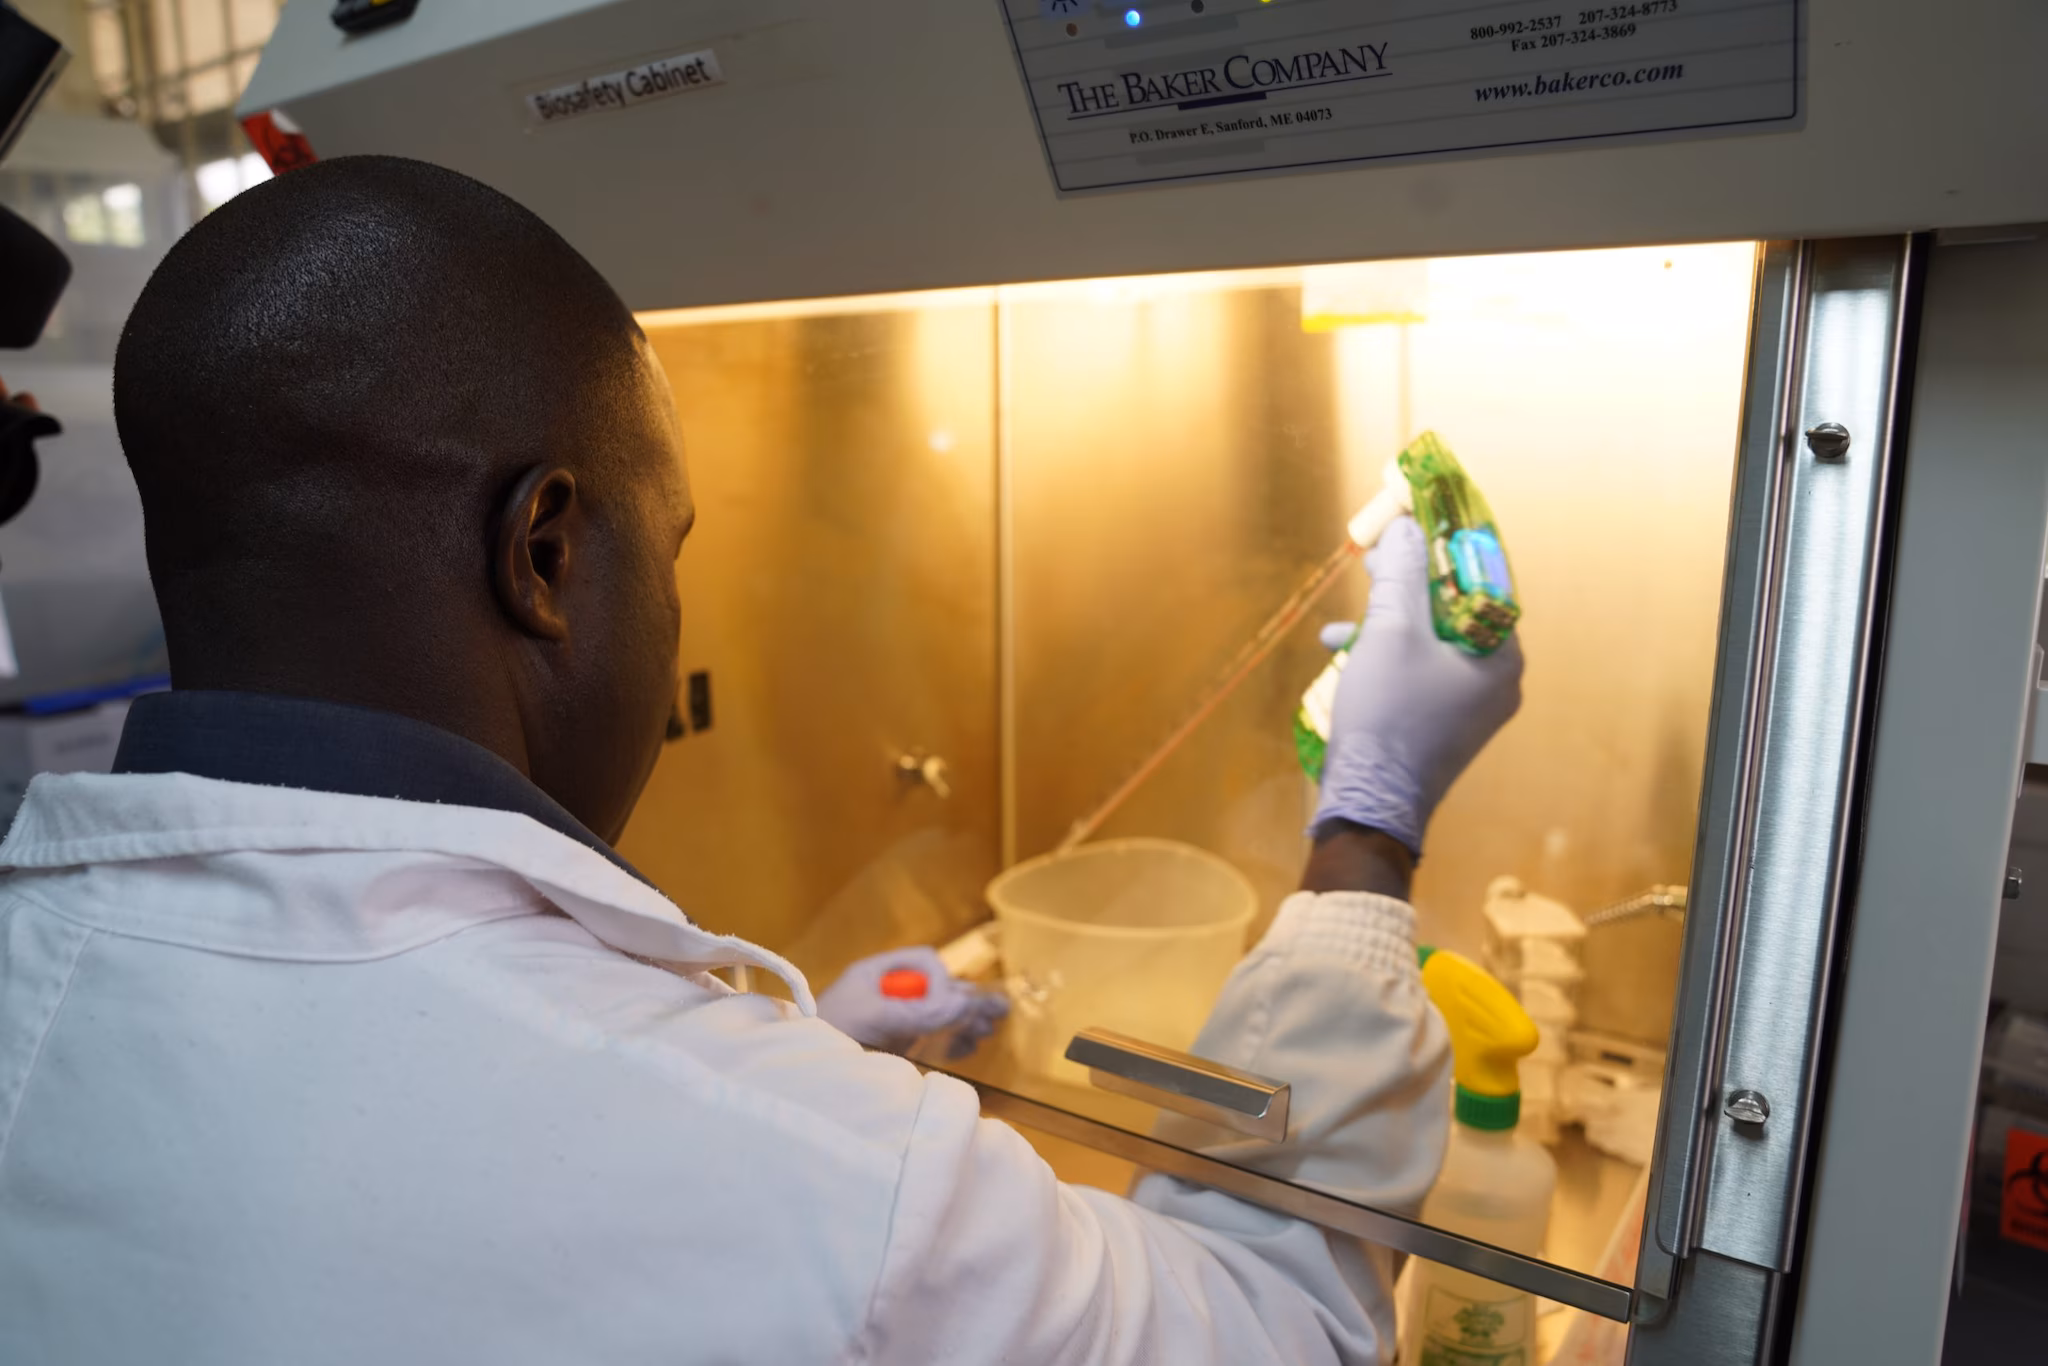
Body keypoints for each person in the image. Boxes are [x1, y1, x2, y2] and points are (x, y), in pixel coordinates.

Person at [0, 157, 1520, 1364]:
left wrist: (788, 1056)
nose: (674, 616)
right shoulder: (823, 1190)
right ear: (544, 553)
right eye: (669, 550)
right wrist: (1366, 836)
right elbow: (1274, 1324)